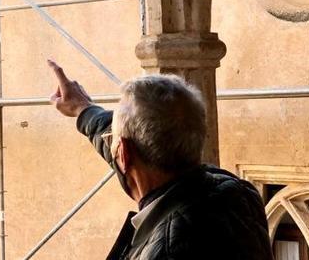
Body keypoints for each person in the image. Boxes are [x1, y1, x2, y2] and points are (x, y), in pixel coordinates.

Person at [47, 59, 273, 260]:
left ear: (124, 153)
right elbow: (137, 143)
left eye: (113, 139)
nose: (111, 144)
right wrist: (84, 110)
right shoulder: (237, 194)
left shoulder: (168, 250)